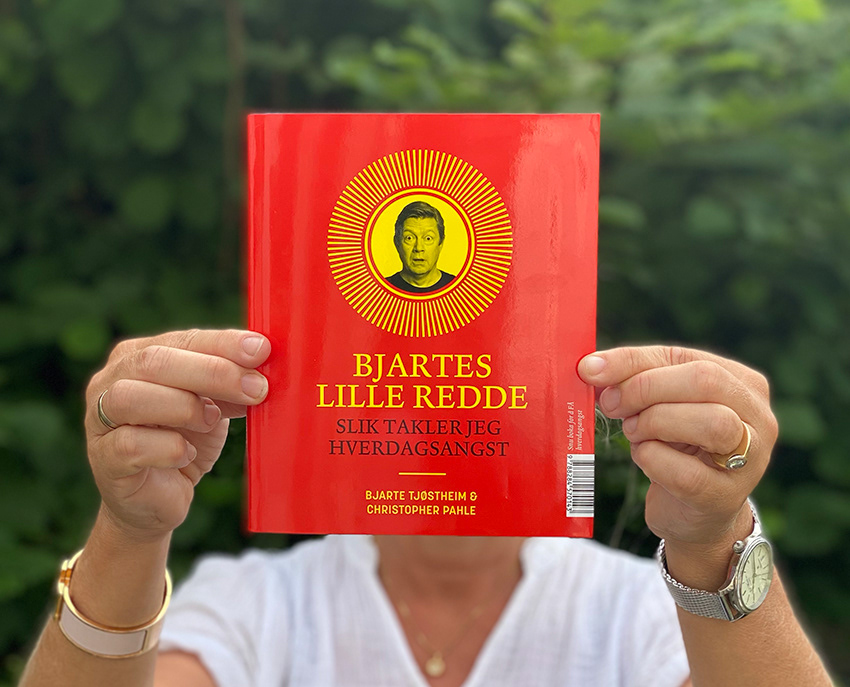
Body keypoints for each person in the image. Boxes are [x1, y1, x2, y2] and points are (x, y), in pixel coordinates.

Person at [19, 330, 833, 687]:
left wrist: (716, 540)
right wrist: (130, 530)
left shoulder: (634, 613)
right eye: (401, 363)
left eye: (483, 361)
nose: (439, 392)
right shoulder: (257, 604)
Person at [385, 201, 456, 293]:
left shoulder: (458, 289)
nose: (418, 248)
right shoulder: (381, 290)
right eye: (409, 238)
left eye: (428, 238)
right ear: (397, 243)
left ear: (440, 243)